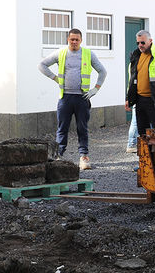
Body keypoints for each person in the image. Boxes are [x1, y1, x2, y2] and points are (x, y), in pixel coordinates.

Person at [39, 28, 107, 170]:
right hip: (65, 98)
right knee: (62, 128)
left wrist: (96, 89)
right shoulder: (61, 53)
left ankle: (84, 157)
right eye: (72, 39)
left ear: (81, 40)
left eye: (77, 39)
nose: (74, 42)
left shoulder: (88, 54)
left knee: (82, 128)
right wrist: (55, 78)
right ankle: (58, 155)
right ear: (68, 40)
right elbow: (42, 65)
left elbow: (102, 71)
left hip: (82, 98)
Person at [125, 29, 155, 141]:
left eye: (143, 42)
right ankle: (145, 157)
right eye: (138, 43)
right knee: (142, 133)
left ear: (150, 41)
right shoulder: (135, 57)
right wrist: (128, 98)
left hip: (154, 101)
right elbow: (131, 81)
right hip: (139, 100)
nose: (140, 45)